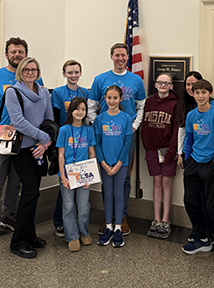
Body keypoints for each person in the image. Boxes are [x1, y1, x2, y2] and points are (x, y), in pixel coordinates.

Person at [0, 37, 43, 246]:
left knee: (15, 183)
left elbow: (40, 108)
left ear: (26, 54)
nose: (17, 55)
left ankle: (8, 217)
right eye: (13, 51)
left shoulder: (34, 79)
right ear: (7, 54)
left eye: (20, 52)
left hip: (23, 143)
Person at [88, 43, 146, 236]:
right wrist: (99, 126)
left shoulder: (136, 80)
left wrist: (134, 125)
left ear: (127, 57)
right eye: (117, 55)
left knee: (124, 176)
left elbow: (141, 107)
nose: (120, 58)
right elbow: (91, 105)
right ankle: (108, 217)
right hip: (105, 136)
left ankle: (122, 217)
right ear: (111, 56)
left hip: (126, 135)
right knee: (107, 175)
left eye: (123, 55)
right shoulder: (100, 79)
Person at [5, 57, 53, 258]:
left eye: (34, 69)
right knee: (30, 192)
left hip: (39, 150)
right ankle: (18, 242)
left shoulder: (43, 92)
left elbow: (49, 118)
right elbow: (18, 122)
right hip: (23, 150)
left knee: (34, 192)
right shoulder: (12, 92)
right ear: (20, 72)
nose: (31, 73)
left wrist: (44, 143)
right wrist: (43, 137)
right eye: (27, 70)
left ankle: (30, 235)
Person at [181, 79, 214, 263]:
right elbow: (189, 139)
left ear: (209, 94)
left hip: (211, 164)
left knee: (212, 206)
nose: (200, 96)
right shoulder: (191, 115)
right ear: (192, 94)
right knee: (190, 201)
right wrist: (187, 159)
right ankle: (202, 238)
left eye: (204, 92)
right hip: (194, 162)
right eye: (197, 92)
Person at [175, 71, 214, 243]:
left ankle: (209, 231)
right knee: (191, 199)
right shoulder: (185, 104)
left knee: (206, 199)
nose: (191, 88)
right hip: (191, 156)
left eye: (195, 84)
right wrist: (180, 153)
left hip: (209, 159)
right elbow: (182, 129)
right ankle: (197, 229)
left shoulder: (213, 106)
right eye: (188, 85)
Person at [51, 59, 90, 238]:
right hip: (65, 140)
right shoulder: (58, 93)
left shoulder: (86, 92)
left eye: (76, 72)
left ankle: (79, 229)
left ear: (80, 73)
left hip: (81, 142)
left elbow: (88, 115)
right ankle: (61, 224)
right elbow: (54, 117)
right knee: (65, 188)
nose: (73, 75)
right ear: (64, 73)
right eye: (70, 72)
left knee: (81, 197)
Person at [141, 73, 179, 239]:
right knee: (156, 181)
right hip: (152, 150)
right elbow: (145, 125)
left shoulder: (176, 104)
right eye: (160, 82)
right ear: (155, 85)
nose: (163, 85)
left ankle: (166, 220)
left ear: (171, 86)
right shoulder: (149, 102)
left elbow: (177, 130)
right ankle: (156, 219)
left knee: (166, 182)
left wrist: (172, 151)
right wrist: (147, 146)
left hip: (168, 149)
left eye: (166, 83)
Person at [94, 85, 132, 247]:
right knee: (107, 193)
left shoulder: (126, 118)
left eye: (115, 98)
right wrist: (103, 162)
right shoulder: (99, 119)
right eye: (109, 98)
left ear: (120, 99)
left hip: (121, 164)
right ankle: (108, 225)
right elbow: (98, 144)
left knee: (118, 193)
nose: (112, 101)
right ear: (105, 98)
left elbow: (127, 143)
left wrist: (118, 165)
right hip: (105, 163)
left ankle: (118, 227)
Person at [56, 97, 96, 252]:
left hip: (84, 173)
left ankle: (84, 232)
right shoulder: (64, 130)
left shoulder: (89, 130)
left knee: (84, 206)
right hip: (67, 174)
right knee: (68, 206)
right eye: (77, 109)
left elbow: (91, 152)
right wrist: (63, 177)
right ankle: (72, 236)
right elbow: (61, 155)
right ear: (71, 111)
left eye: (83, 109)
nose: (80, 112)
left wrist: (91, 176)